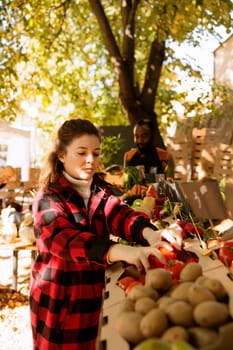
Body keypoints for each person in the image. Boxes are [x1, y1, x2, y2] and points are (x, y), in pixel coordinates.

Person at [30, 118, 182, 350]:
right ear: (61, 155)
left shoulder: (98, 191)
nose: (91, 160)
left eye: (96, 153)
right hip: (60, 305)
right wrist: (118, 250)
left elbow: (120, 215)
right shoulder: (48, 199)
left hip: (92, 298)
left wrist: (151, 233)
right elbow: (65, 240)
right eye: (81, 153)